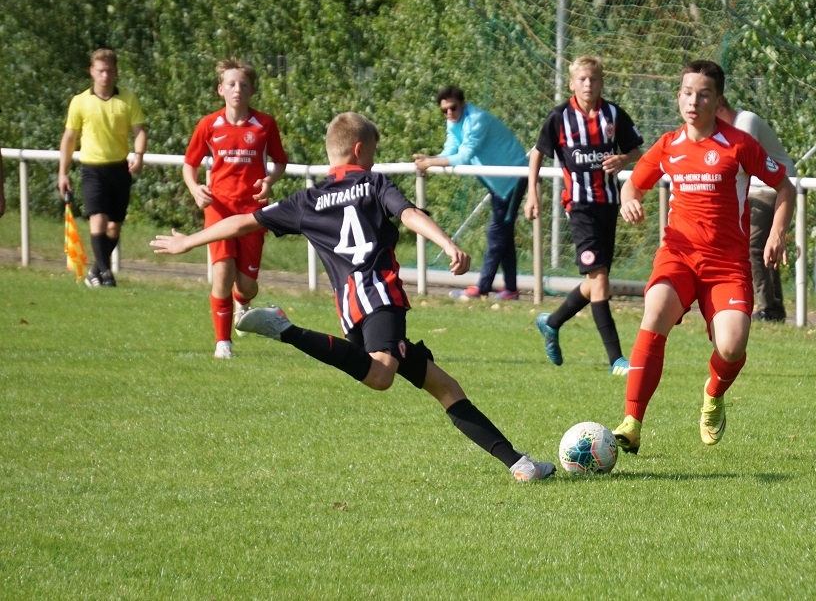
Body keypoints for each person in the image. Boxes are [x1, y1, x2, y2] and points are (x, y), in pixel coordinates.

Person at [152, 112, 554, 482]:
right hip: (380, 294)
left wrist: (189, 241)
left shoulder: (308, 200)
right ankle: (285, 329)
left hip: (350, 309)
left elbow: (244, 222)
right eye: (373, 155)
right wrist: (447, 244)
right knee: (380, 375)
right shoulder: (374, 183)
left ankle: (520, 465)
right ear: (360, 150)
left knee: (443, 386)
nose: (374, 163)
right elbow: (409, 214)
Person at [611, 60, 795, 454]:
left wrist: (777, 232)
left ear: (718, 100)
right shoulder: (668, 145)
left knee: (732, 346)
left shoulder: (739, 144)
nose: (693, 101)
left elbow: (785, 187)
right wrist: (629, 201)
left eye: (703, 94)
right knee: (654, 311)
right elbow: (633, 186)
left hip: (727, 264)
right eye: (687, 93)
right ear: (679, 97)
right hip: (678, 255)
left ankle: (713, 393)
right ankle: (632, 422)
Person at [524, 55, 643, 376]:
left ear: (601, 82)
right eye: (582, 79)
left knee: (595, 282)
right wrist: (532, 192)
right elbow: (537, 154)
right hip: (578, 207)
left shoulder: (613, 114)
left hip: (609, 205)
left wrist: (623, 159)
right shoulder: (559, 117)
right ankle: (616, 359)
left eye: (593, 79)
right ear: (572, 83)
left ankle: (552, 322)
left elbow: (636, 150)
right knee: (600, 278)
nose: (588, 84)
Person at [183, 58, 288, 359]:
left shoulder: (265, 124)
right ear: (221, 90)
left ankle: (243, 302)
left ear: (252, 90)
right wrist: (195, 189)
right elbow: (189, 164)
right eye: (230, 84)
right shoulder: (208, 124)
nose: (237, 89)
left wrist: (269, 181)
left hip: (252, 210)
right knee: (223, 271)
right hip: (218, 208)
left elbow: (280, 161)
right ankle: (223, 343)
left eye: (243, 84)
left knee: (247, 285)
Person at [413, 86, 528, 301]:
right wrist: (430, 160)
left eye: (453, 108)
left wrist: (430, 162)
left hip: (514, 178)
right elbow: (451, 149)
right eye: (444, 111)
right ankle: (511, 290)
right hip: (499, 183)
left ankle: (482, 288)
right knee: (503, 235)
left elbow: (464, 156)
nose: (449, 113)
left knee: (496, 233)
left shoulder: (476, 120)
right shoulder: (454, 122)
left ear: (463, 104)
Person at [57, 48, 147, 287]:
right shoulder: (80, 101)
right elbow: (69, 138)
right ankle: (107, 274)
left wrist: (138, 155)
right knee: (98, 218)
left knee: (114, 226)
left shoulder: (128, 100)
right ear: (91, 72)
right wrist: (62, 172)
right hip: (92, 169)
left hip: (119, 169)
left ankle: (95, 271)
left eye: (109, 71)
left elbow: (140, 131)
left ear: (116, 72)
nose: (105, 76)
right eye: (100, 71)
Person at [716, 98, 797, 322]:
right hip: (755, 188)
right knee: (755, 245)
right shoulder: (727, 128)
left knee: (753, 244)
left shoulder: (746, 120)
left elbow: (739, 161)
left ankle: (768, 308)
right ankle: (770, 307)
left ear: (720, 106)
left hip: (774, 187)